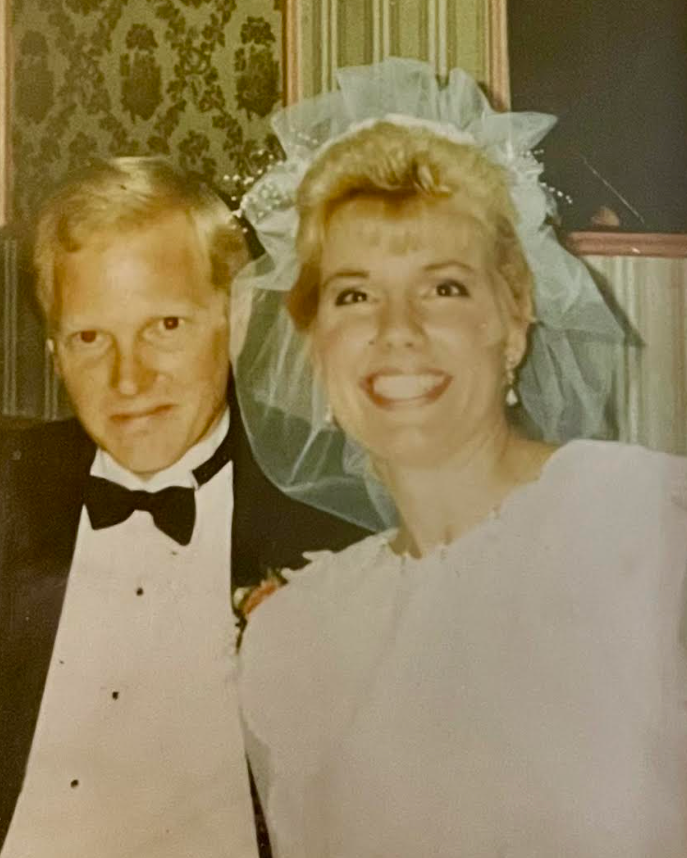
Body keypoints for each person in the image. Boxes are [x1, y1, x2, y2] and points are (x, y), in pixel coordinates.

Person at [233, 60, 687, 857]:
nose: (397, 330)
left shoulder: (647, 527)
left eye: (443, 288)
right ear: (314, 343)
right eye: (353, 294)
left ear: (514, 319)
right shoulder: (295, 639)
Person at [0, 158, 367, 858]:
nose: (128, 379)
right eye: (89, 338)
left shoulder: (333, 523)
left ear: (237, 319)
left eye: (166, 324)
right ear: (53, 351)